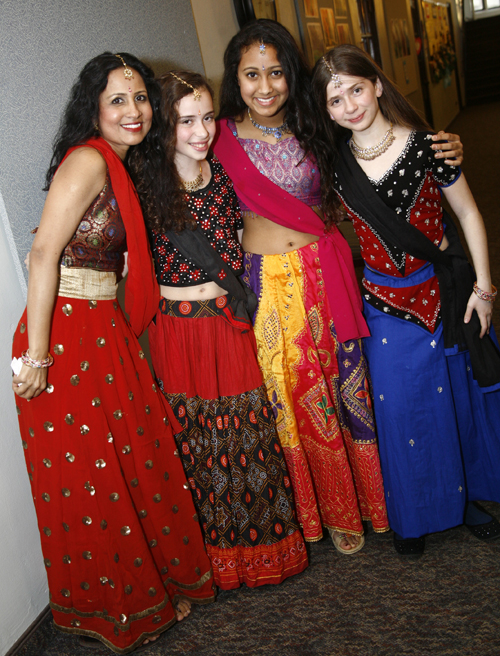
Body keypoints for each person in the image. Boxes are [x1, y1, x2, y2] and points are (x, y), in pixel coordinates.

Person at [213, 20, 459, 554]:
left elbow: (375, 141)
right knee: (289, 396)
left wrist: (443, 147)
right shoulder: (219, 138)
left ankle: (370, 505)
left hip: (327, 277)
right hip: (266, 284)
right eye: (251, 74)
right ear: (236, 78)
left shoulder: (314, 124)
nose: (265, 86)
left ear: (290, 76)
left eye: (276, 72)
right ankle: (321, 512)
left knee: (349, 391)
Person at [12, 53, 214, 653]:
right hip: (65, 335)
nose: (134, 111)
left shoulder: (125, 166)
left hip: (102, 327)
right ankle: (117, 607)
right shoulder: (87, 160)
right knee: (90, 478)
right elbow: (43, 255)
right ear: (94, 109)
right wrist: (40, 357)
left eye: (141, 98)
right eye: (118, 100)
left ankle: (148, 587)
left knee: (131, 461)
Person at [310, 44, 500, 556]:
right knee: (400, 410)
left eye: (355, 88)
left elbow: (470, 214)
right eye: (335, 99)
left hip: (445, 296)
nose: (349, 105)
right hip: (384, 303)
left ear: (376, 84)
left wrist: (484, 289)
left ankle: (466, 503)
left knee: (455, 399)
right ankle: (413, 513)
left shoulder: (429, 146)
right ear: (325, 110)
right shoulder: (332, 166)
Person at [129, 70, 308, 589]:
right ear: (164, 125)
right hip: (177, 331)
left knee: (247, 433)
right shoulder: (144, 186)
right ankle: (213, 561)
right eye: (186, 121)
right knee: (197, 443)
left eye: (207, 118)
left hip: (228, 323)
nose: (202, 131)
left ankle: (262, 554)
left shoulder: (223, 174)